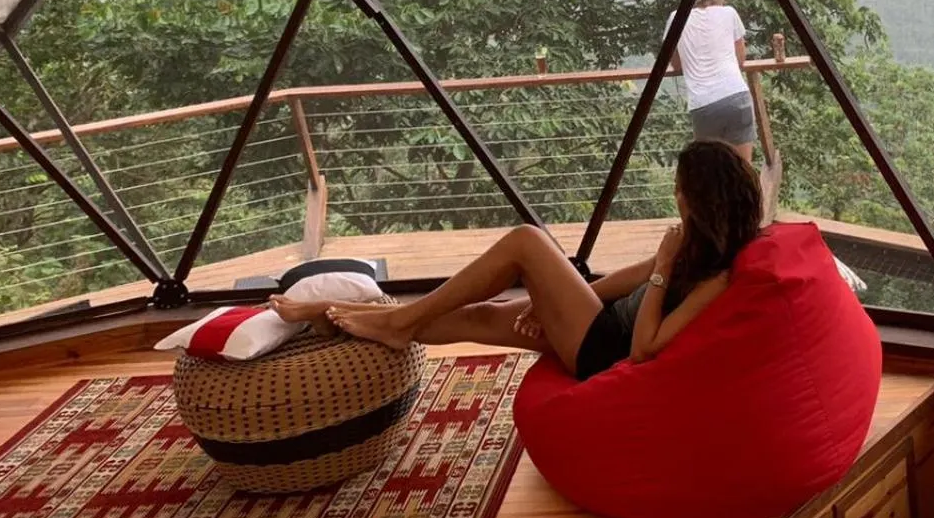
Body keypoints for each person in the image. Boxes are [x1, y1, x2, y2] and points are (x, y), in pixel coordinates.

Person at [270, 139, 763, 381]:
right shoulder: (691, 246)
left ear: (701, 199)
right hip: (592, 321)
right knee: (478, 317)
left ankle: (394, 321)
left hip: (601, 346)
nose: (674, 193)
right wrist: (550, 302)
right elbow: (616, 284)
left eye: (680, 187)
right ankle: (342, 317)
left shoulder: (716, 277)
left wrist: (661, 266)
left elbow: (642, 348)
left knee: (527, 240)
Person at [668, 0, 755, 163]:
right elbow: (740, 58)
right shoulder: (729, 13)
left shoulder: (677, 18)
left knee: (710, 169)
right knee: (742, 168)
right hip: (736, 95)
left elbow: (677, 64)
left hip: (704, 103)